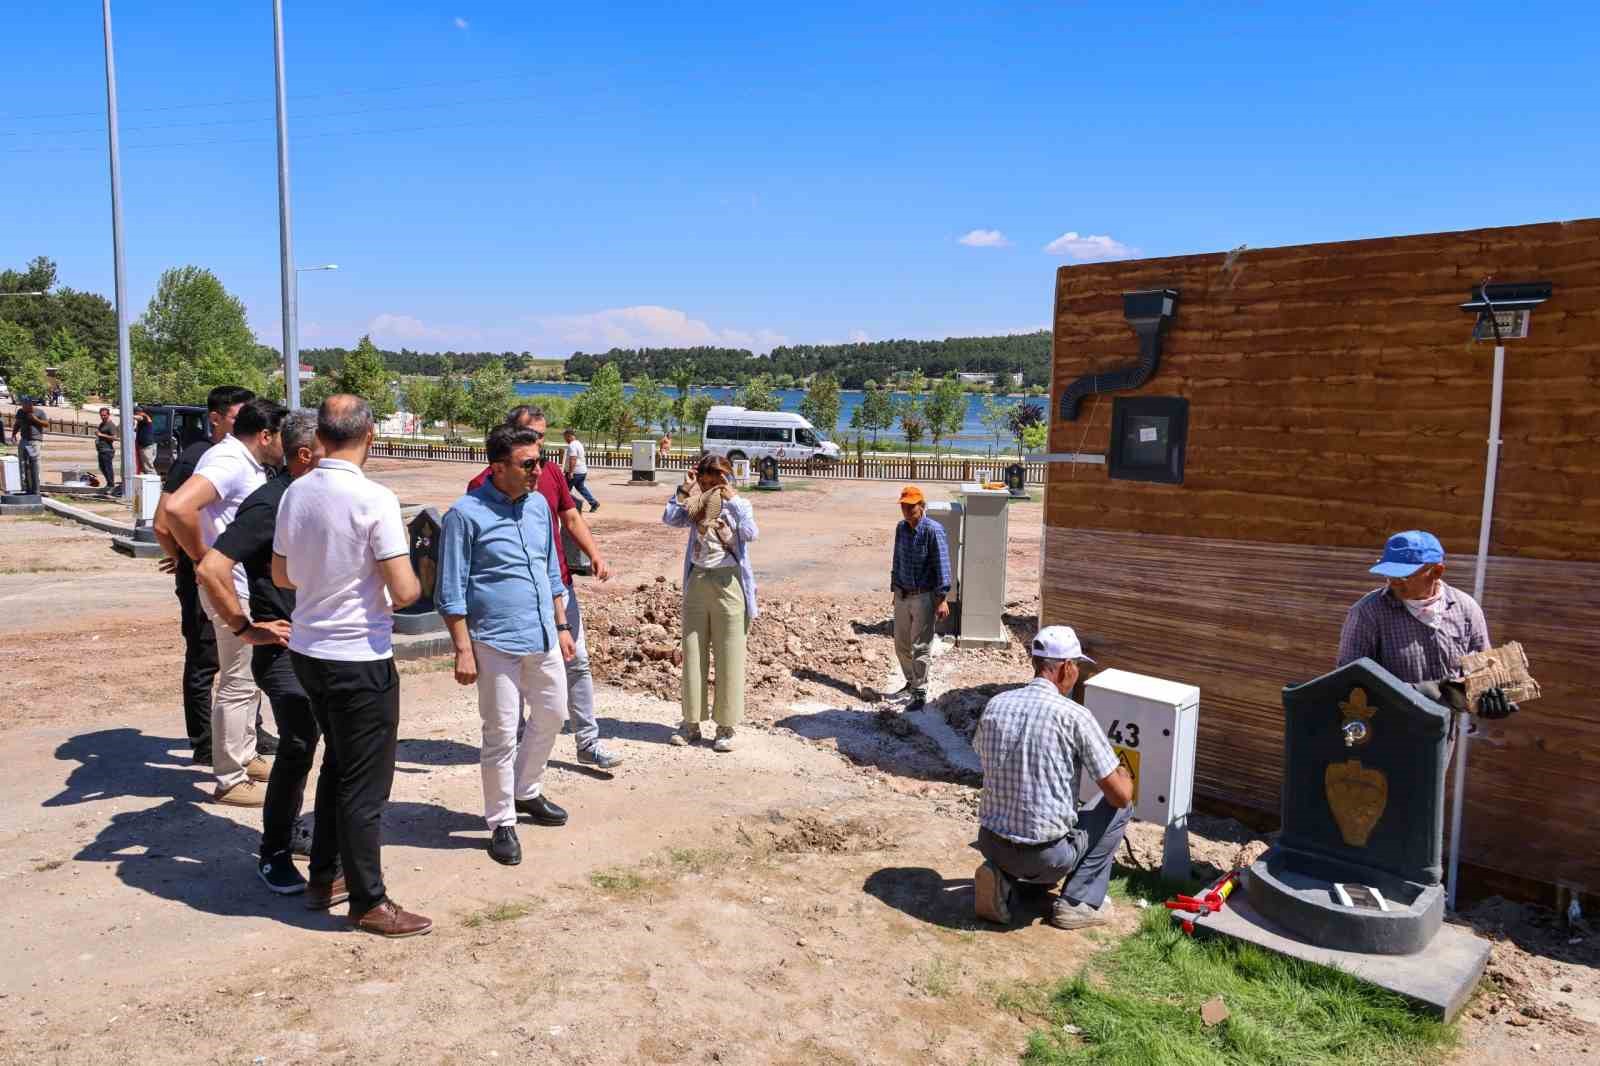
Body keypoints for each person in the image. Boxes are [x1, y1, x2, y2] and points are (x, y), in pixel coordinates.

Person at [272, 394, 431, 937]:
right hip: (358, 655)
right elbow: (405, 591)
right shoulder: (374, 498)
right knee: (365, 784)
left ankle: (326, 876)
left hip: (308, 649)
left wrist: (327, 576)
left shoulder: (296, 491)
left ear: (320, 435)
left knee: (338, 764)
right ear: (369, 435)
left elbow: (282, 575)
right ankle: (368, 900)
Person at [196, 411, 332, 894]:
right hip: (282, 649)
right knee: (298, 744)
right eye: (329, 452)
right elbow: (211, 568)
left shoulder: (317, 498)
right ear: (304, 455)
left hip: (322, 643)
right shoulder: (269, 504)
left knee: (325, 743)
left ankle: (300, 833)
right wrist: (245, 627)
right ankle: (273, 850)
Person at [440, 425, 578, 866]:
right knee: (500, 733)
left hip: (543, 633)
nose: (540, 470)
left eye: (542, 460)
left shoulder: (539, 506)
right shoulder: (464, 515)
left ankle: (526, 790)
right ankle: (501, 821)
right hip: (494, 641)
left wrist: (562, 625)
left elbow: (550, 570)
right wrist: (463, 649)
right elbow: (450, 589)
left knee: (553, 713)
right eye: (529, 464)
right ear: (498, 467)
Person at [467, 405, 621, 769]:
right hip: (516, 600)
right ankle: (517, 746)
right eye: (534, 436)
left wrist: (594, 554)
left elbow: (571, 517)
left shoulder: (549, 473)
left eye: (542, 437)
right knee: (517, 672)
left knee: (577, 663)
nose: (541, 447)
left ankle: (587, 741)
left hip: (557, 587)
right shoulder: (481, 485)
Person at [160, 397, 287, 805]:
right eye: (282, 437)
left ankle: (245, 755)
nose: (286, 446)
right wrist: (202, 557)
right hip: (231, 586)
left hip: (240, 583)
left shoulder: (242, 461)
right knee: (237, 680)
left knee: (247, 677)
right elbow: (176, 508)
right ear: (265, 435)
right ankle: (230, 778)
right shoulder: (229, 461)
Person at [972, 626, 1134, 930]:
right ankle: (1077, 902)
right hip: (1044, 858)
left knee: (1036, 816)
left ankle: (1003, 878)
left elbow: (985, 759)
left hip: (991, 842)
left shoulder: (996, 704)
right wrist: (1124, 773)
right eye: (1078, 668)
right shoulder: (1074, 716)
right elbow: (1120, 795)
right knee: (1121, 808)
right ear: (1067, 667)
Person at [152, 385, 257, 767]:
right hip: (206, 574)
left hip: (222, 571)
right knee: (205, 658)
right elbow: (163, 521)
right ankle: (204, 742)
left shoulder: (241, 458)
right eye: (239, 417)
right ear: (216, 418)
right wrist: (191, 557)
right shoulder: (198, 458)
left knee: (240, 660)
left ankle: (248, 737)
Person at [1336, 530, 1518, 719]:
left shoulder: (1465, 609)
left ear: (1437, 572)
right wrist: (1423, 694)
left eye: (1403, 576)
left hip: (1443, 732)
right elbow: (1349, 680)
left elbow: (1485, 670)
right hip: (1388, 729)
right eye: (1389, 575)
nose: (1393, 583)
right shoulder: (1368, 613)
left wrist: (1489, 697)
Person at [663, 453, 759, 751]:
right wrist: (685, 488)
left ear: (725, 478)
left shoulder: (738, 505)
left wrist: (734, 501)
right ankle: (690, 723)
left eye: (713, 482)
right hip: (698, 581)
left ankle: (726, 726)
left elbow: (750, 533)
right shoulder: (696, 505)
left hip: (729, 583)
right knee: (693, 653)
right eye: (704, 482)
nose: (708, 487)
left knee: (730, 655)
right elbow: (670, 518)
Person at [888, 485, 951, 713]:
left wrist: (942, 598)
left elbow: (942, 565)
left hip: (924, 596)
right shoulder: (901, 528)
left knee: (921, 646)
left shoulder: (933, 530)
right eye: (904, 507)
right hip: (902, 594)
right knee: (901, 644)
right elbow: (897, 559)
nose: (907, 511)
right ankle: (911, 681)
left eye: (911, 507)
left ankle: (920, 691)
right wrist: (895, 589)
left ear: (922, 506)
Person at [9, 396, 47, 495]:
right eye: (22, 405)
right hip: (24, 440)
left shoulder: (39, 412)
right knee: (22, 462)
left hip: (34, 441)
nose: (23, 407)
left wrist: (35, 419)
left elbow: (46, 424)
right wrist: (13, 434)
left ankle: (36, 487)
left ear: (30, 405)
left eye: (25, 405)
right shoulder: (20, 412)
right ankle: (25, 487)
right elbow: (17, 424)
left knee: (34, 463)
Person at [563, 427, 599, 511]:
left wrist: (571, 472)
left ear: (569, 435)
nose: (565, 439)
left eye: (565, 437)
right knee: (581, 488)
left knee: (564, 490)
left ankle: (572, 506)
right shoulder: (578, 443)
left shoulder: (572, 445)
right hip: (582, 471)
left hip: (575, 472)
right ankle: (594, 503)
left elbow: (573, 459)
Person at [94, 407, 117, 492]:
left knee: (108, 468)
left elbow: (114, 437)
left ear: (108, 415)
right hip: (101, 449)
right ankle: (109, 483)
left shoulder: (111, 425)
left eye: (104, 415)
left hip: (107, 450)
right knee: (102, 467)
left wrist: (101, 435)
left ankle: (111, 485)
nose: (103, 417)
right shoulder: (102, 424)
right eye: (101, 415)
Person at [134, 406, 156, 475]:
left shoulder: (145, 417)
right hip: (145, 446)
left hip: (146, 446)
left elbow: (139, 417)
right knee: (146, 466)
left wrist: (128, 415)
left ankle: (154, 480)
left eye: (135, 413)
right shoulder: (144, 420)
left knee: (148, 467)